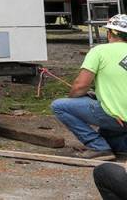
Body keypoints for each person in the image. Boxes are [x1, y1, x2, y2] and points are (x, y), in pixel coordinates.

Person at [52, 14, 127, 160]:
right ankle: (119, 146)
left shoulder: (99, 51)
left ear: (110, 33)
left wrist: (74, 98)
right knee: (107, 117)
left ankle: (98, 147)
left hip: (114, 117)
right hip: (121, 119)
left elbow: (81, 86)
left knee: (59, 106)